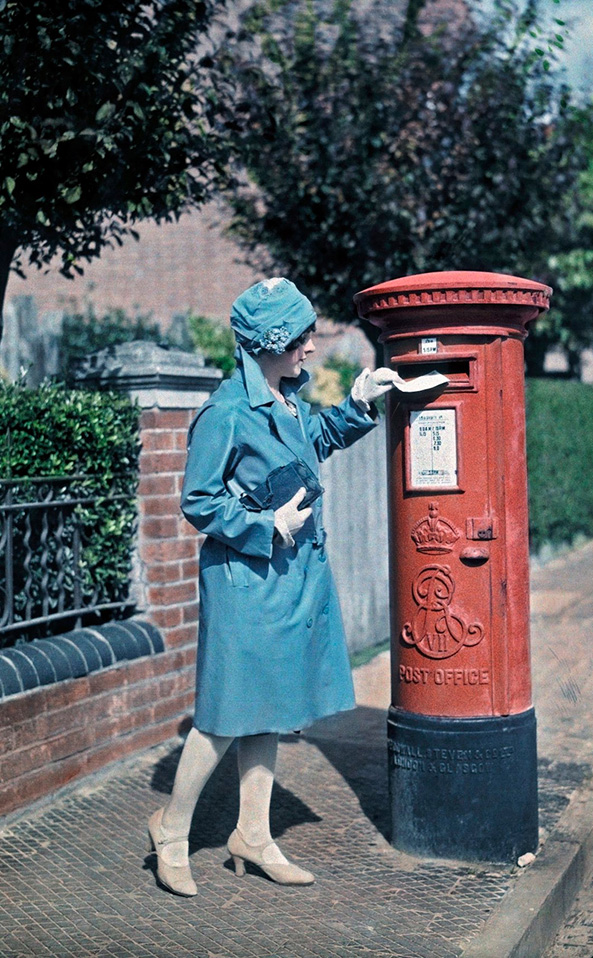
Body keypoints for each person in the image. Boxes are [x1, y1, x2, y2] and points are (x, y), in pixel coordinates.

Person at [147, 277, 400, 896]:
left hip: (288, 578)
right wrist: (267, 524)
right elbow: (198, 501)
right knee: (224, 713)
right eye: (302, 337)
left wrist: (361, 403)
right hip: (245, 579)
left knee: (270, 706)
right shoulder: (226, 412)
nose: (312, 348)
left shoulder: (285, 400)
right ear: (271, 342)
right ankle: (172, 828)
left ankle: (252, 835)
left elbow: (312, 444)